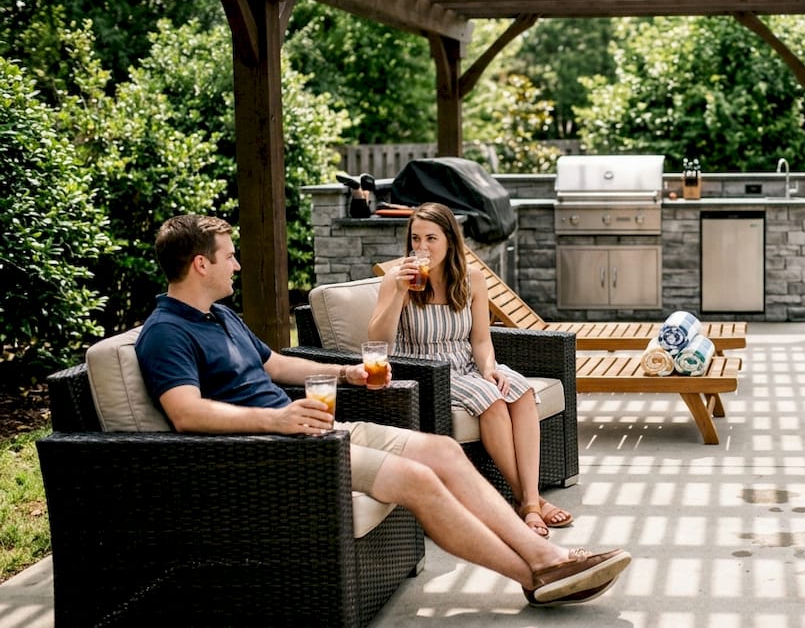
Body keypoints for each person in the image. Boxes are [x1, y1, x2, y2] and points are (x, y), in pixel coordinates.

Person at [133, 214, 629, 607]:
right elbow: (186, 413)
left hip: (314, 429)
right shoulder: (166, 333)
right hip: (275, 449)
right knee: (419, 480)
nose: (236, 265)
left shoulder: (220, 316)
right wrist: (276, 419)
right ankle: (540, 572)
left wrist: (348, 374)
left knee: (443, 452)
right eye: (229, 257)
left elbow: (276, 362)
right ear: (201, 264)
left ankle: (547, 561)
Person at [368, 202, 573, 538]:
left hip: (465, 362)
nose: (421, 247)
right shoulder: (397, 280)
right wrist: (399, 295)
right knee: (491, 401)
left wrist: (490, 368)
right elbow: (380, 343)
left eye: (431, 238)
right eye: (416, 239)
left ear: (450, 240)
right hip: (426, 368)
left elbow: (480, 340)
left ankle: (528, 500)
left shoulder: (471, 278)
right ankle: (531, 504)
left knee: (520, 392)